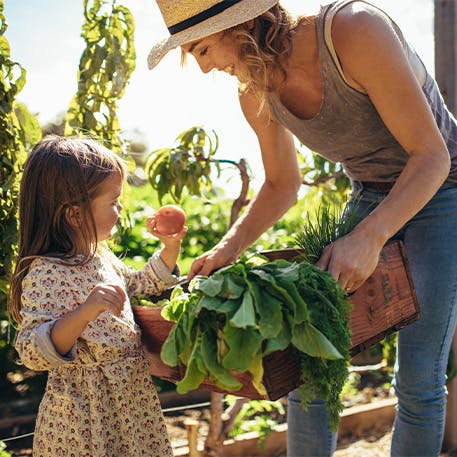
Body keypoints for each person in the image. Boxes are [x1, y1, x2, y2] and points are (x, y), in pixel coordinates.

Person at [148, 0, 457, 456]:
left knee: (417, 375)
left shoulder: (354, 32)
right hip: (370, 192)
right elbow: (280, 184)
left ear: (241, 23)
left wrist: (368, 237)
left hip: (444, 189)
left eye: (201, 49)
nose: (205, 68)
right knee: (310, 364)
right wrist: (225, 250)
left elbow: (432, 156)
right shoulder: (254, 91)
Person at [10, 135, 187, 457]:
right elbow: (32, 351)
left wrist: (170, 248)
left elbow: (139, 285)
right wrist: (85, 312)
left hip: (130, 403)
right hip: (85, 413)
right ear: (75, 214)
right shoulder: (46, 272)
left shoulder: (100, 258)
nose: (120, 210)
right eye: (113, 201)